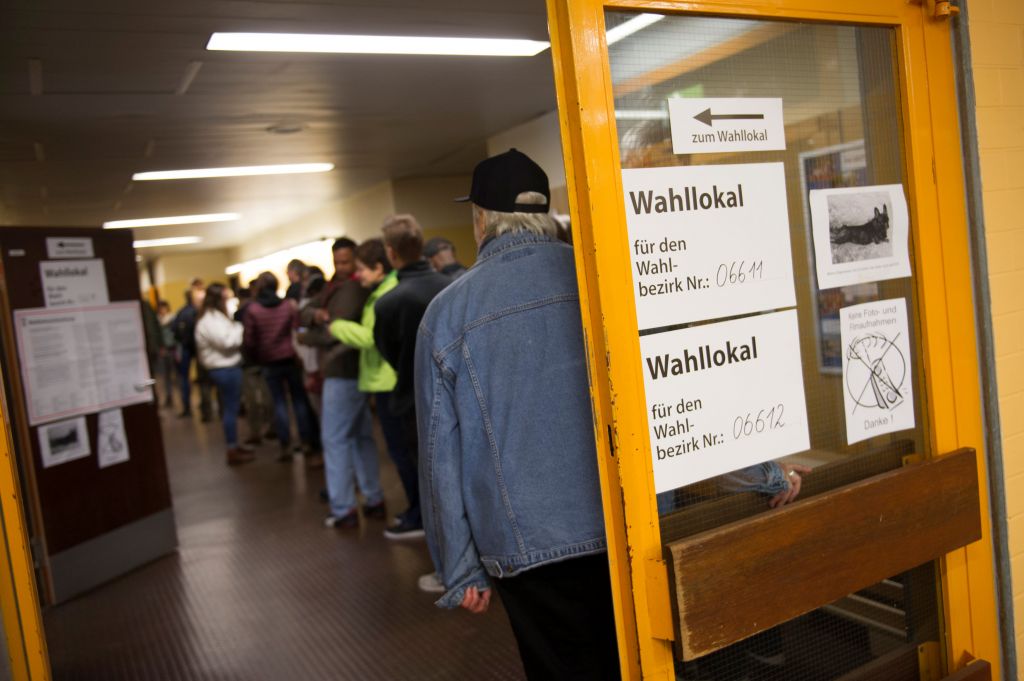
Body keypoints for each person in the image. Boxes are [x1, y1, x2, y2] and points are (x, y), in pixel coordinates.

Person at [373, 215, 452, 540]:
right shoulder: (450, 288)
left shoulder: (388, 303)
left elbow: (388, 352)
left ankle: (447, 567)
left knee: (430, 482)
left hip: (413, 401)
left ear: (391, 253)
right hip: (455, 395)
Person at [297, 237, 384, 525]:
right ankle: (373, 497)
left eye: (347, 262)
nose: (342, 268)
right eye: (337, 262)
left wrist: (305, 334)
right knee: (360, 437)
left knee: (334, 439)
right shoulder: (336, 285)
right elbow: (307, 308)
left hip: (343, 369)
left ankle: (343, 507)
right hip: (349, 370)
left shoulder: (354, 288)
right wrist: (314, 315)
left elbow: (333, 329)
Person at [325, 238, 409, 531]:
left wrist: (334, 325)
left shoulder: (381, 294)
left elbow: (370, 337)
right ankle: (377, 500)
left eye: (357, 267)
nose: (354, 275)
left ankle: (345, 508)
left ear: (377, 267)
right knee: (367, 440)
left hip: (383, 380)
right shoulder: (377, 292)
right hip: (377, 379)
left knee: (397, 451)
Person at [243, 271, 316, 461]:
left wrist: (256, 355)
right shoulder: (287, 306)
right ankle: (306, 441)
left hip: (269, 361)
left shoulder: (254, 310)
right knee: (298, 401)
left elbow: (249, 340)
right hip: (290, 358)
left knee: (279, 402)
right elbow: (297, 330)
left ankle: (285, 445)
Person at [195, 283, 254, 466]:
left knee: (232, 409)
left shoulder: (216, 317)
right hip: (224, 369)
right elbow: (227, 342)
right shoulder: (210, 320)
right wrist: (240, 328)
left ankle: (234, 445)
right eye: (225, 297)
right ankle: (231, 447)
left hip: (227, 367)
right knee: (230, 410)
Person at [173, 279, 215, 420]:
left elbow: (175, 331)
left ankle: (192, 408)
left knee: (196, 380)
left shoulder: (183, 312)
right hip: (197, 349)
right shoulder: (201, 314)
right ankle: (204, 409)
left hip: (190, 348)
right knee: (203, 380)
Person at [157, 300, 178, 409]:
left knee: (177, 375)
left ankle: (182, 398)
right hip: (163, 350)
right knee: (166, 376)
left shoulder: (173, 318)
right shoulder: (157, 320)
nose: (162, 310)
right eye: (160, 308)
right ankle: (169, 396)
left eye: (164, 307)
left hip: (173, 349)